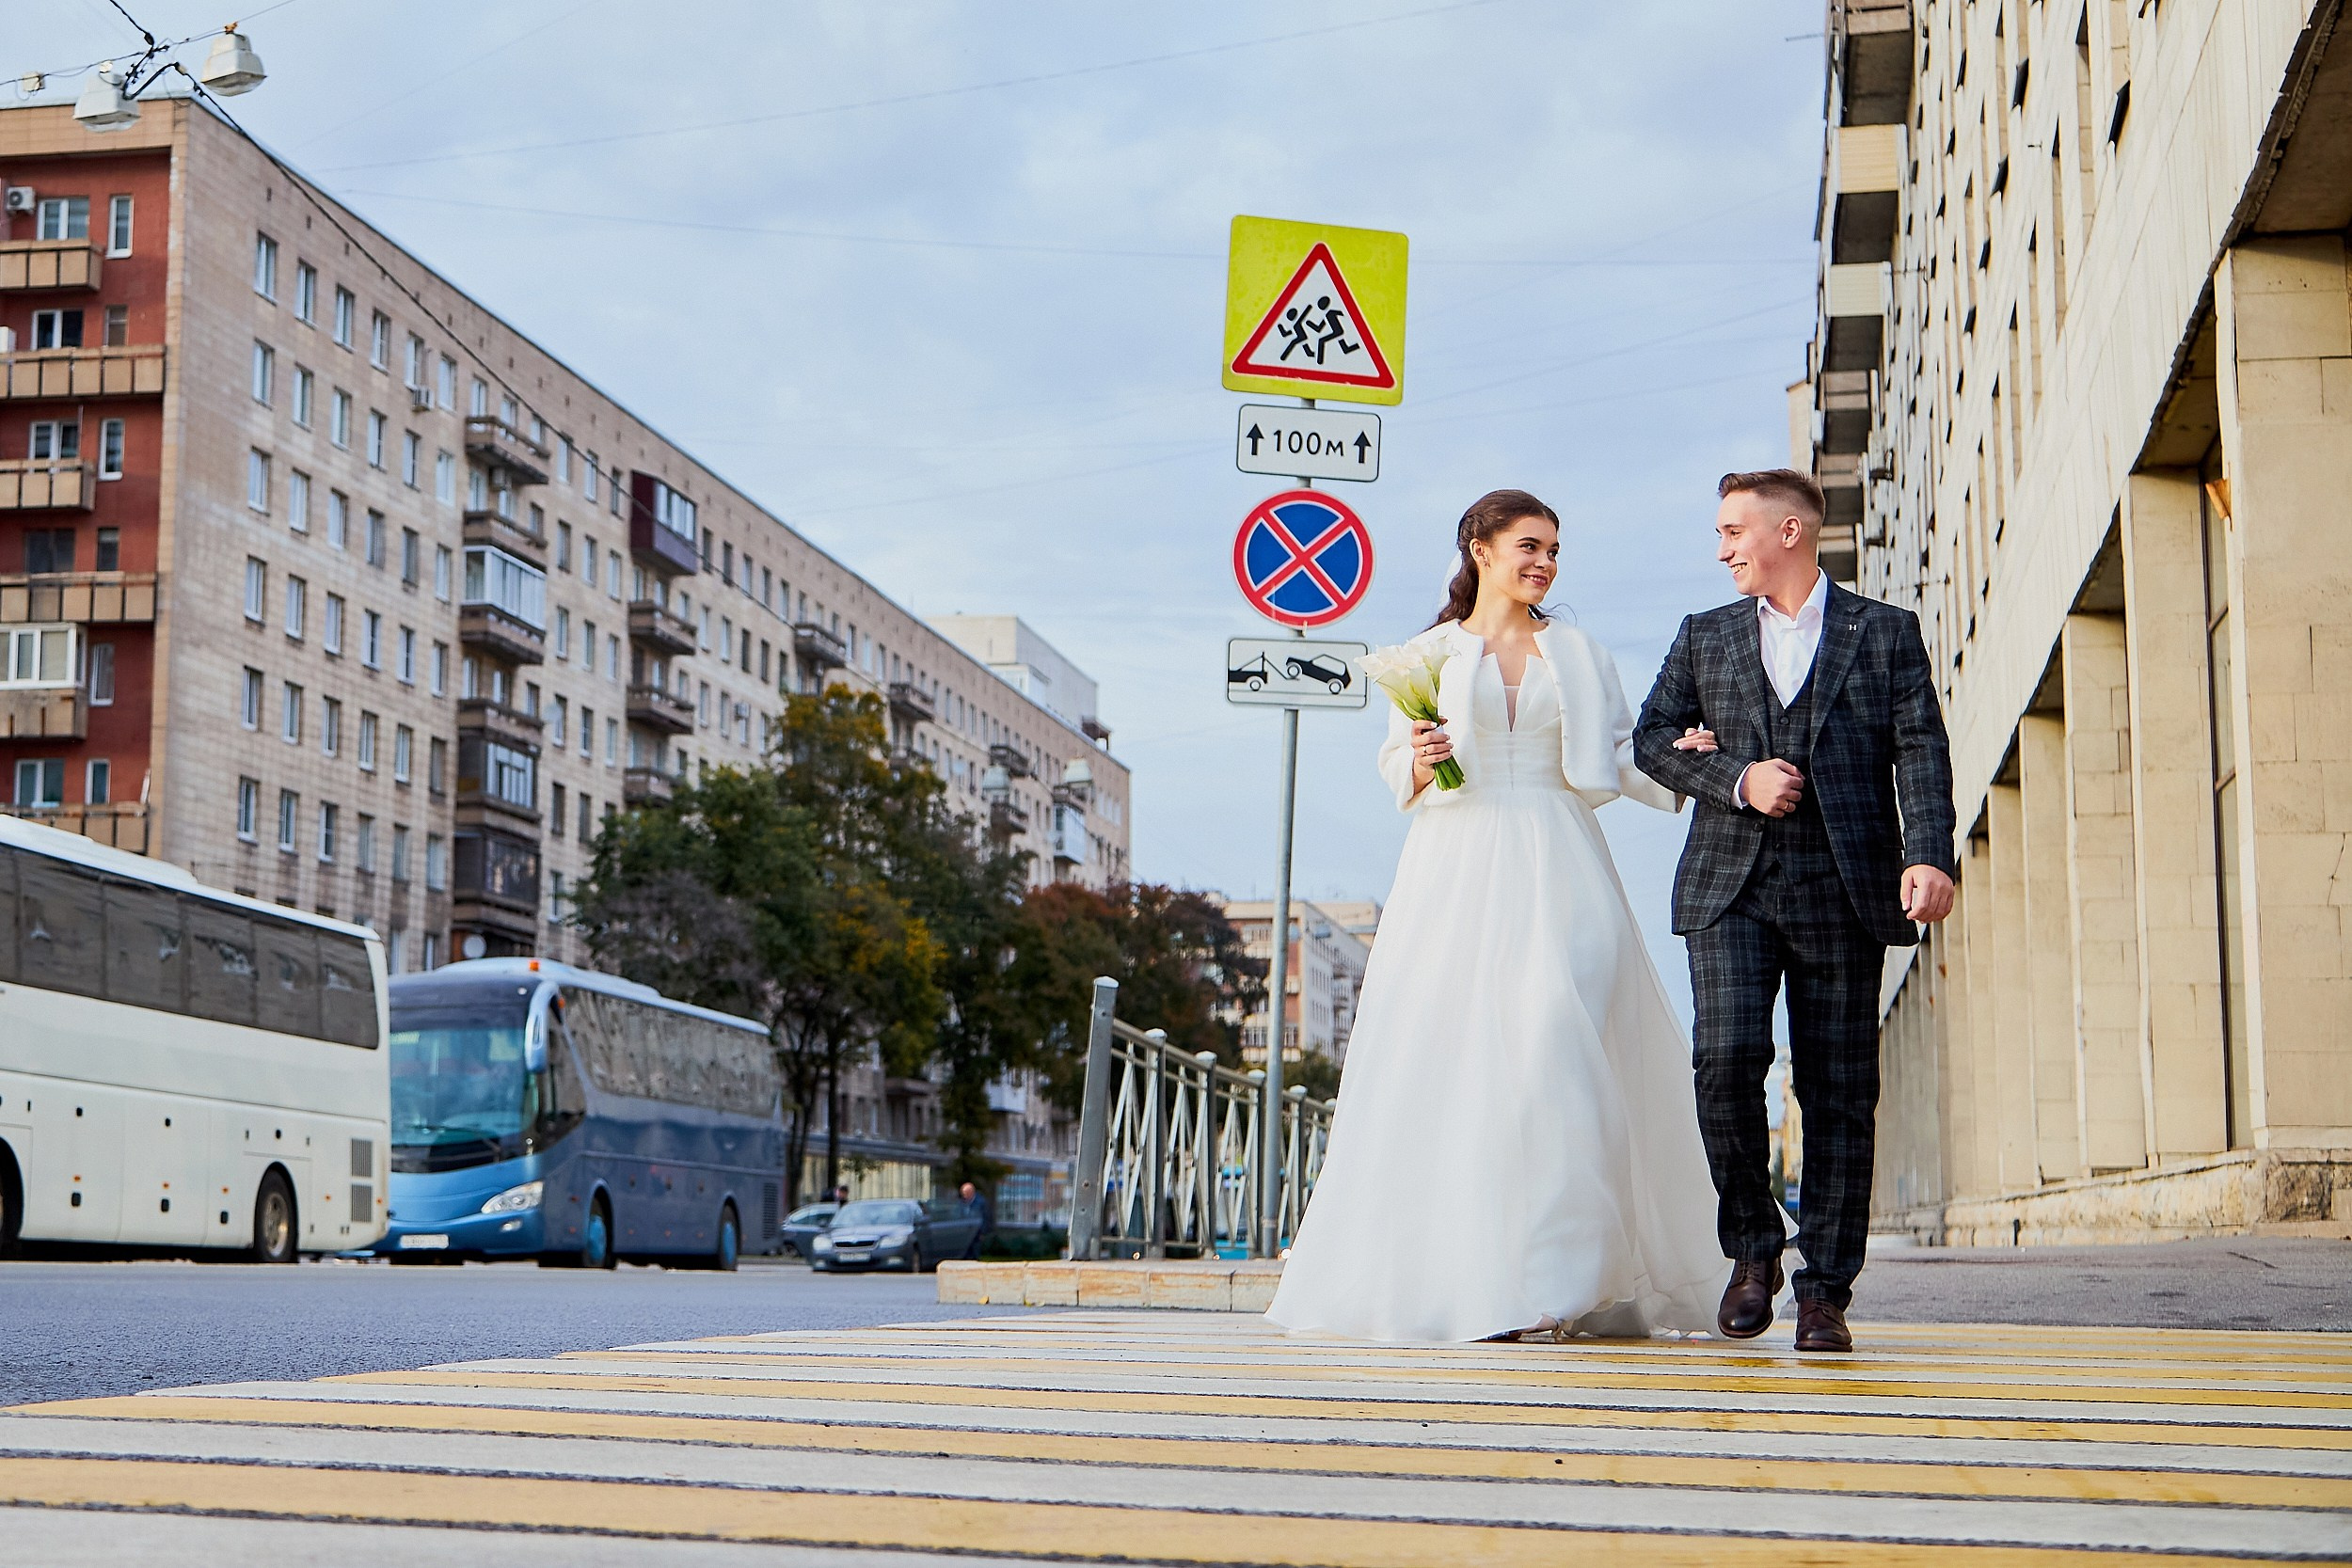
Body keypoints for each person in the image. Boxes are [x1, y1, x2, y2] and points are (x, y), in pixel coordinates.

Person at [1266, 490, 1729, 1343]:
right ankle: (1481, 1280)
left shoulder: (1579, 652)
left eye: (1554, 548)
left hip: (1562, 857)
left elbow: (1623, 750)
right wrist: (1419, 754)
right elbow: (1392, 762)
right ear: (1479, 548)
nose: (1545, 562)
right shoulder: (1426, 654)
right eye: (1529, 545)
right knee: (1466, 1061)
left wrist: (1686, 764)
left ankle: (1565, 1280)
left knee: (1561, 1040)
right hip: (1457, 863)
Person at [1633, 468, 1955, 1354]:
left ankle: (1824, 1291)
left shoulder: (1886, 633)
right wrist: (1736, 776)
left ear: (1789, 531)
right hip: (1729, 885)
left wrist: (1927, 851)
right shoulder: (1706, 635)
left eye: (1734, 529)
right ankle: (1751, 1249)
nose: (1723, 546)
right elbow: (1651, 737)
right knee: (1725, 1058)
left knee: (1838, 1092)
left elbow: (1920, 745)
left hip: (1846, 885)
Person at [958, 1180, 994, 1260]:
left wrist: (983, 1232)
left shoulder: (981, 1202)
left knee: (974, 1253)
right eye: (963, 1193)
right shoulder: (962, 1203)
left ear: (971, 1192)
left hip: (976, 1233)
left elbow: (986, 1218)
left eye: (966, 1193)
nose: (964, 1195)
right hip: (965, 1232)